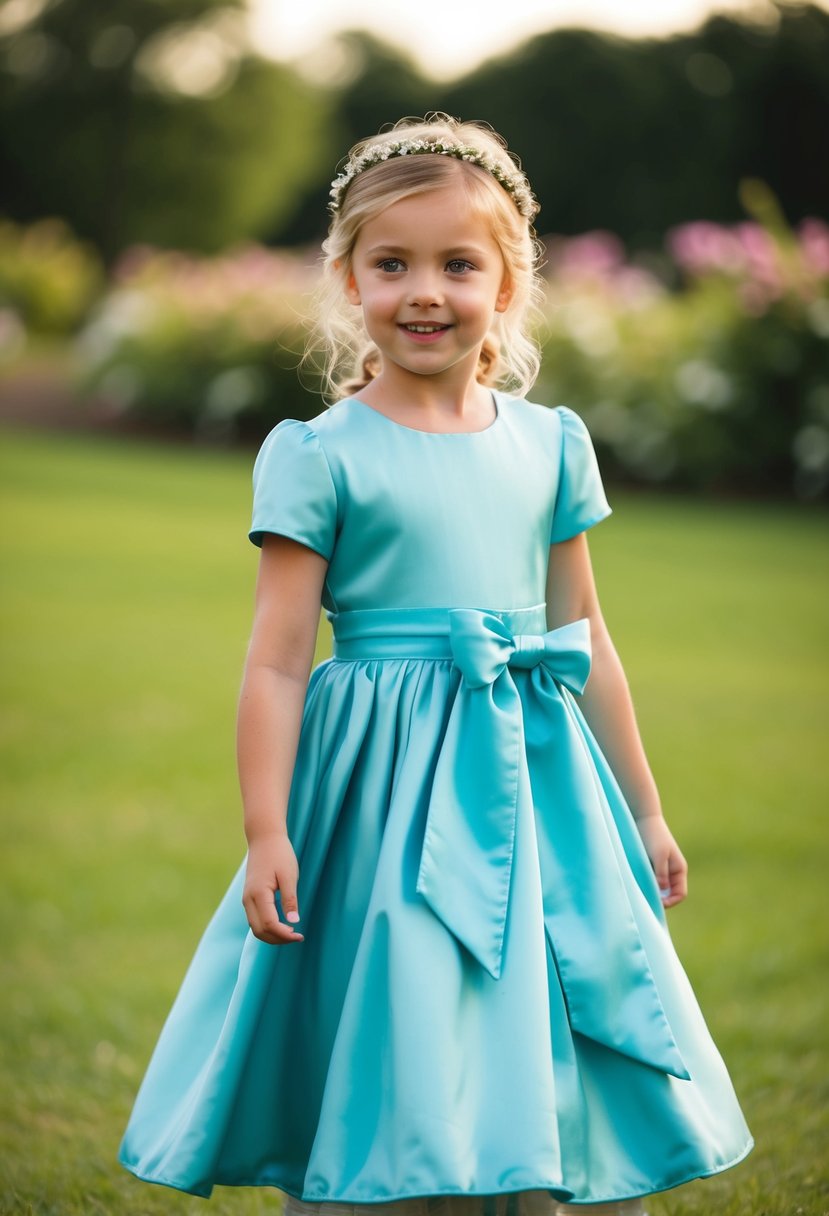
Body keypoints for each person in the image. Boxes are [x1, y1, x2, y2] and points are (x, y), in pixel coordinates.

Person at [119, 114, 752, 1214]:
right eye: (392, 263)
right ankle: (390, 1178)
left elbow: (584, 632)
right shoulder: (319, 456)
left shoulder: (550, 443)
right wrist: (267, 828)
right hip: (380, 790)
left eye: (458, 264)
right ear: (347, 280)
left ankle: (524, 1179)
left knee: (532, 998)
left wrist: (643, 810)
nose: (425, 290)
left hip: (532, 769)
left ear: (506, 286)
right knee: (402, 993)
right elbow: (276, 663)